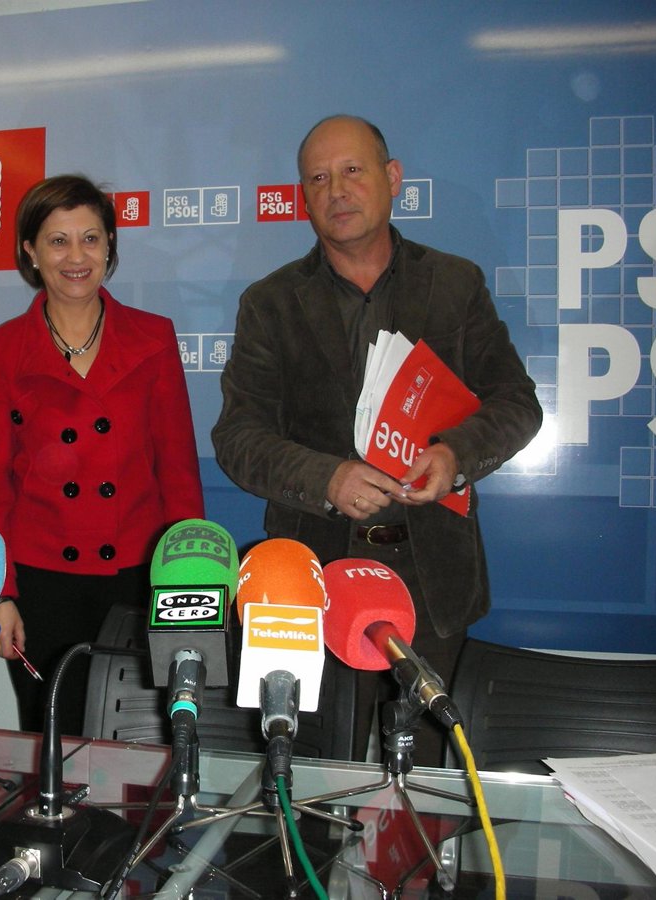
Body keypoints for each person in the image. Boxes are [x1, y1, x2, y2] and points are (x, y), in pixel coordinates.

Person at [211, 116, 542, 766]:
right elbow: (238, 437)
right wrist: (326, 477)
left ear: (392, 179)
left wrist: (454, 456)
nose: (336, 190)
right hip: (312, 577)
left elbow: (516, 404)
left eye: (353, 171)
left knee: (425, 781)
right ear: (303, 196)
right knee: (310, 776)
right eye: (318, 178)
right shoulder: (270, 302)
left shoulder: (454, 285)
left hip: (432, 577)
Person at [0, 174, 205, 734]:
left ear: (110, 244)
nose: (76, 257)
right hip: (41, 586)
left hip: (139, 578)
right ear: (30, 250)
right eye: (58, 241)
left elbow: (178, 474)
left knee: (141, 740)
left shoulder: (153, 338)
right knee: (54, 741)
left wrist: (188, 589)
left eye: (90, 239)